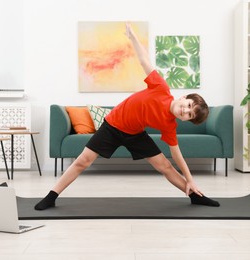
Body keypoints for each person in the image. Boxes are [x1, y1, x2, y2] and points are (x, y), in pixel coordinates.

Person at [34, 23, 219, 211]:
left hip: (135, 134)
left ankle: (195, 195)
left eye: (189, 115)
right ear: (184, 97)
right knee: (83, 161)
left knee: (165, 166)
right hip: (112, 126)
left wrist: (190, 180)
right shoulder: (161, 88)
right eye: (188, 106)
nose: (185, 111)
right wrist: (133, 38)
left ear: (186, 120)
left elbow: (176, 154)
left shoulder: (169, 124)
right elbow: (144, 60)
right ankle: (51, 195)